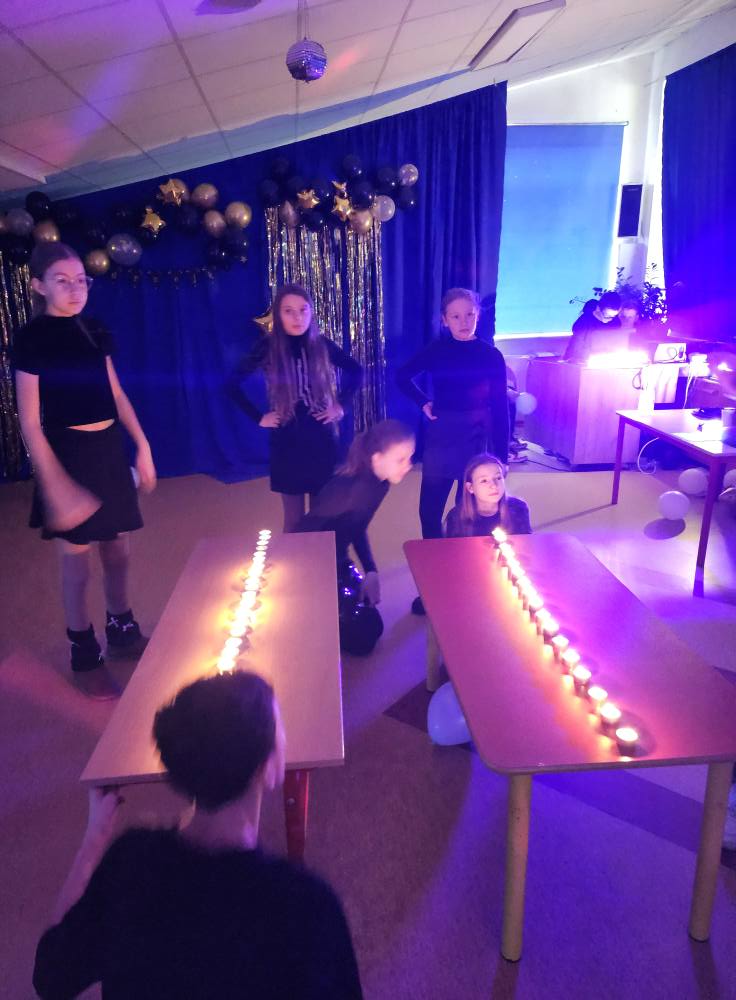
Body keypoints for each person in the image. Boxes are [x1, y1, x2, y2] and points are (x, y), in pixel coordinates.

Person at [33, 669, 363, 999]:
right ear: (268, 767)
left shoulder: (131, 862)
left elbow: (51, 976)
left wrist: (94, 837)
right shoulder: (306, 907)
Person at [13, 243, 156, 700]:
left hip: (108, 450)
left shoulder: (95, 329)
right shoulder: (31, 339)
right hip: (68, 454)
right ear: (39, 286)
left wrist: (143, 445)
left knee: (118, 552)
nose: (76, 289)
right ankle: (83, 650)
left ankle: (121, 627)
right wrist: (54, 483)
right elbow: (30, 421)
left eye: (81, 280)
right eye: (63, 281)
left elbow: (116, 394)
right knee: (76, 566)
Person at [396, 287, 509, 613]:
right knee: (429, 511)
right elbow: (402, 376)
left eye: (470, 315)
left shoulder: (491, 356)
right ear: (444, 320)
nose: (464, 321)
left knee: (466, 514)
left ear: (478, 315)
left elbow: (500, 407)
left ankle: (463, 580)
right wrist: (423, 401)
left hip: (476, 438)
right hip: (442, 435)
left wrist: (501, 458)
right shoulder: (437, 350)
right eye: (456, 316)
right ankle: (434, 582)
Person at [231, 284, 362, 531]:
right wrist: (258, 417)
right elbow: (231, 384)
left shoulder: (321, 344)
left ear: (311, 312)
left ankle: (321, 556)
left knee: (321, 515)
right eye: (288, 311)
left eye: (303, 310)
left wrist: (340, 405)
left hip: (320, 436)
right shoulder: (268, 346)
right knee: (293, 520)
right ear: (278, 315)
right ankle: (295, 557)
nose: (297, 317)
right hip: (287, 439)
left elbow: (356, 371)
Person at [294, 419, 415, 608]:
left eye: (410, 458)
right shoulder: (353, 490)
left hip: (337, 557)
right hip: (312, 564)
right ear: (377, 458)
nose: (409, 466)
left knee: (368, 615)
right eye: (401, 460)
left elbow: (356, 528)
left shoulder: (381, 484)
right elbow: (305, 532)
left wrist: (371, 571)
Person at [444, 453, 531, 537]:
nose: (494, 485)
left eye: (498, 478)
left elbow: (526, 543)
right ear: (470, 487)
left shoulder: (518, 509)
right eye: (484, 481)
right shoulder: (456, 516)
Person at [564, 291, 626, 364]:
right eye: (607, 316)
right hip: (579, 362)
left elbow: (615, 343)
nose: (610, 319)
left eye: (613, 316)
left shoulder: (615, 322)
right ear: (598, 308)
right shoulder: (584, 322)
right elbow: (576, 347)